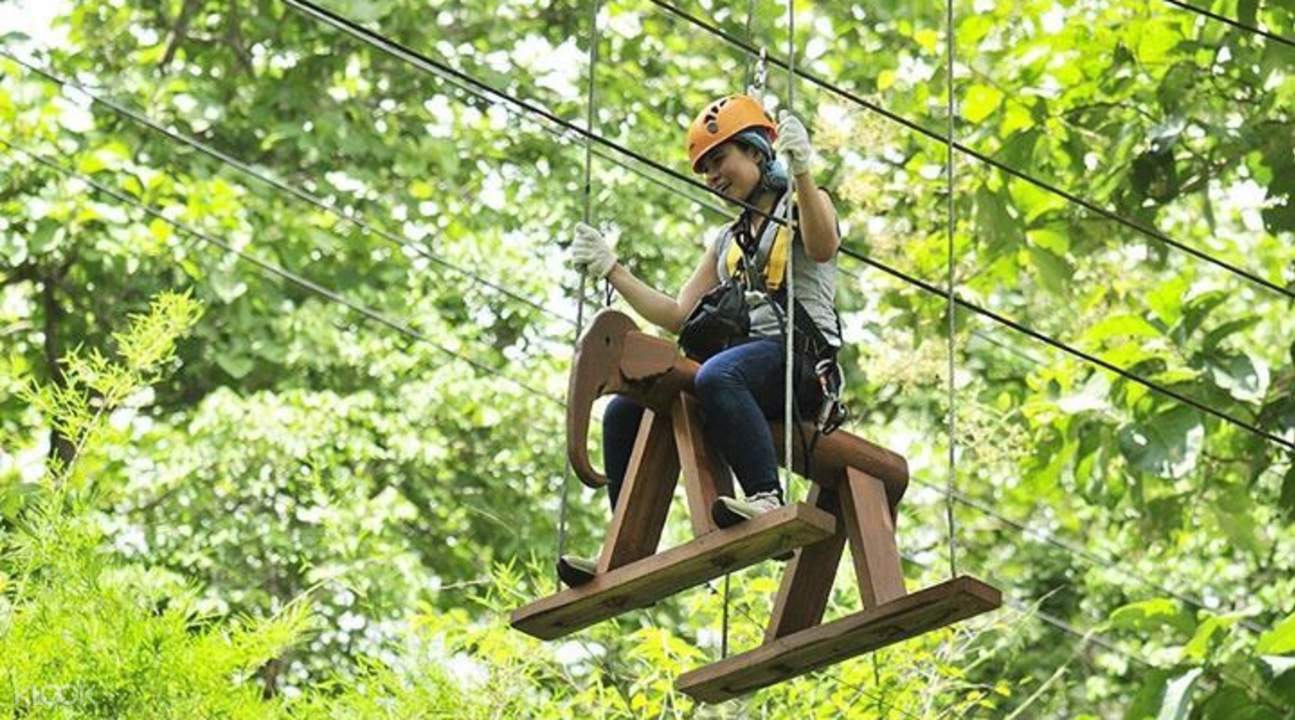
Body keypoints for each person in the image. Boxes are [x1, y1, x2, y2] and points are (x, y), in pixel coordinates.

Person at [559, 94, 842, 587]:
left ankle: (764, 497)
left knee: (719, 372)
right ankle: (621, 547)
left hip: (801, 366)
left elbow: (823, 245)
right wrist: (613, 269)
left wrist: (803, 173)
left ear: (756, 152)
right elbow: (677, 314)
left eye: (720, 160)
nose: (713, 175)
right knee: (630, 405)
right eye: (705, 168)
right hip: (746, 372)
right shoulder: (727, 241)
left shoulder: (804, 206)